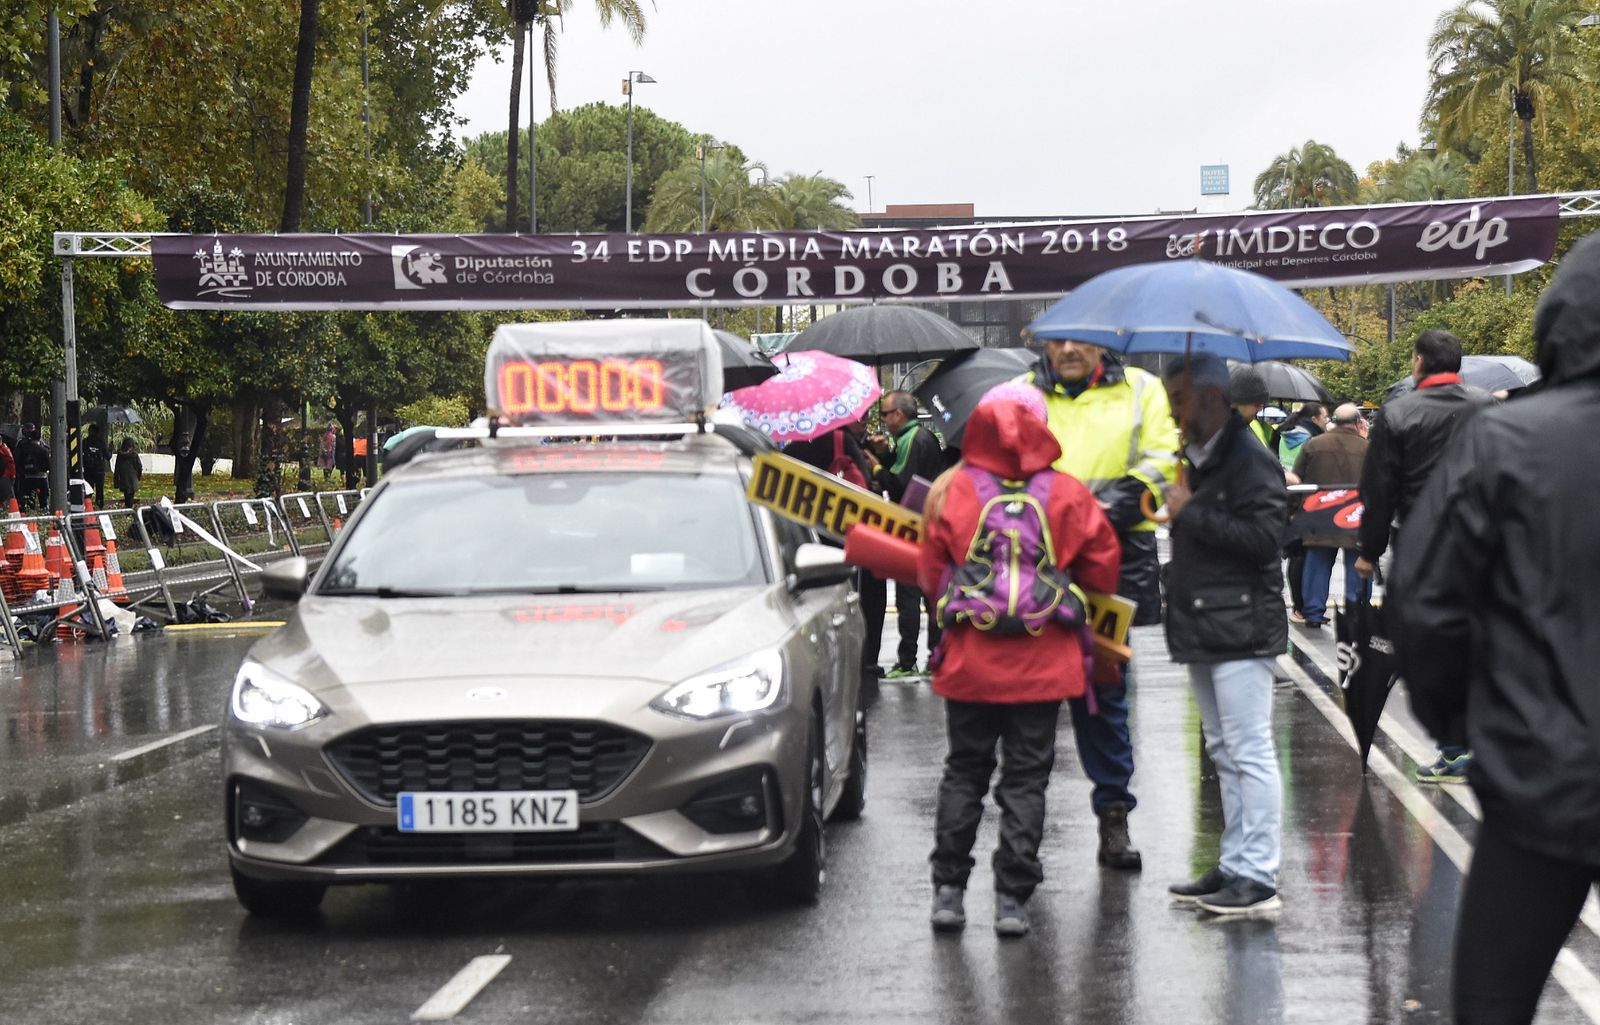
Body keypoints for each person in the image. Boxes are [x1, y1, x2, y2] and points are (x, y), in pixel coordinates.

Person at [1390, 232, 1600, 1025]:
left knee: (1493, 1002)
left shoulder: (1504, 442)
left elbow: (1427, 605)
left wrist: (1462, 722)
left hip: (1539, 779)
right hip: (1538, 770)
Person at [919, 384, 1121, 937]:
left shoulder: (955, 490)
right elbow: (1104, 570)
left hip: (969, 661)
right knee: (1026, 781)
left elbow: (930, 568)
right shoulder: (1067, 494)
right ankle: (1012, 900)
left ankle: (948, 892)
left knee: (964, 771)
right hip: (1043, 663)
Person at [1026, 340, 1180, 870]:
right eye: (1058, 339)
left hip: (1111, 559)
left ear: (1102, 343)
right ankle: (1027, 831)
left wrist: (1107, 507)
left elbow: (1163, 460)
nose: (1068, 349)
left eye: (1080, 338)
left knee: (1105, 692)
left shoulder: (1141, 388)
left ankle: (1114, 818)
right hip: (1038, 562)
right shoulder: (1021, 394)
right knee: (1033, 694)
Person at [1159, 354, 1288, 915]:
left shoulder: (1249, 459)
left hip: (1241, 623)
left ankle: (1258, 874)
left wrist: (1190, 513)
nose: (1172, 414)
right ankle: (1236, 863)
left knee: (1249, 750)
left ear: (1211, 399)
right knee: (1224, 751)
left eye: (1178, 402)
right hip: (1209, 619)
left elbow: (1265, 540)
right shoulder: (1200, 457)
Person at [1355, 328, 1495, 784]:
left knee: (1430, 648)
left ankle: (1454, 748)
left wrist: (1368, 551)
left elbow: (1379, 491)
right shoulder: (1485, 406)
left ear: (1418, 362)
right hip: (1480, 543)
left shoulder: (1397, 414)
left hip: (1422, 546)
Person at [867, 391, 946, 678]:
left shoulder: (913, 439)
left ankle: (908, 659)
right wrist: (885, 455)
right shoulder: (917, 438)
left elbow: (901, 483)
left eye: (885, 414)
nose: (883, 421)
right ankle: (935, 655)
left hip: (914, 527)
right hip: (928, 526)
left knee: (910, 597)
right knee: (929, 595)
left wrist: (875, 465)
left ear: (899, 415)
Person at [1289, 403, 1369, 628]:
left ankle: (1313, 613)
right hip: (1355, 517)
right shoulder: (1368, 448)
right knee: (1357, 565)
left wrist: (1294, 512)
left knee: (1317, 564)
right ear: (1357, 423)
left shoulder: (1313, 445)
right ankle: (1356, 612)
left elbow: (1297, 480)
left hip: (1318, 515)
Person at [1231, 367, 1275, 448]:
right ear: (1238, 402)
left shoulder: (1251, 427)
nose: (1260, 409)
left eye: (1262, 405)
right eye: (1257, 404)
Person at [16, 424, 50, 511]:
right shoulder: (43, 449)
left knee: (30, 501)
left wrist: (23, 472)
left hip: (28, 477)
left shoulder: (24, 447)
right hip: (42, 477)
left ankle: (30, 517)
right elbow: (48, 465)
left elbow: (18, 461)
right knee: (43, 501)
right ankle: (44, 517)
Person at [113, 437, 142, 508]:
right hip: (133, 478)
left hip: (123, 478)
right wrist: (138, 476)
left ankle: (128, 508)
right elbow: (139, 466)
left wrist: (116, 480)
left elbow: (117, 468)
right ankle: (129, 509)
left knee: (127, 495)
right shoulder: (134, 455)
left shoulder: (120, 455)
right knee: (131, 495)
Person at [0, 432, 15, 507]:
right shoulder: (5, 450)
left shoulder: (4, 450)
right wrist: (13, 475)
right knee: (6, 497)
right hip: (5, 476)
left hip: (4, 476)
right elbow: (11, 463)